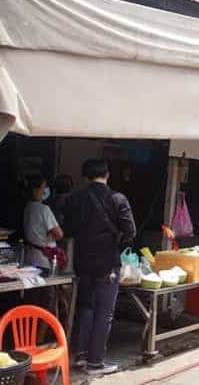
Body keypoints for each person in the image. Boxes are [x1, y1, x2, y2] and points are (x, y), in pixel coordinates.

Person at [65, 159, 136, 376]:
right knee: (104, 313)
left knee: (86, 308)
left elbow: (68, 229)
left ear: (85, 176)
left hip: (82, 263)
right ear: (107, 174)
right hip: (107, 264)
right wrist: (117, 243)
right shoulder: (118, 199)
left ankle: (81, 356)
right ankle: (95, 363)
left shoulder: (75, 198)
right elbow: (130, 231)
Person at [22, 175, 63, 270]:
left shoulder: (27, 207)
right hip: (44, 259)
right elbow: (59, 234)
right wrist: (52, 235)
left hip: (30, 256)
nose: (45, 190)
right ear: (35, 190)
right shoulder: (44, 209)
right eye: (43, 187)